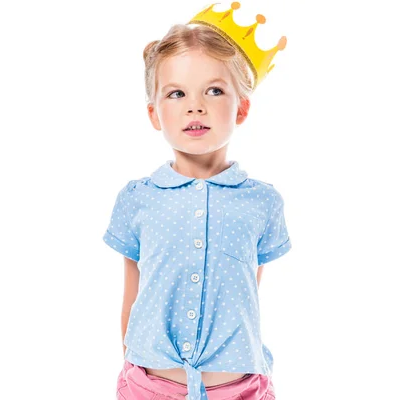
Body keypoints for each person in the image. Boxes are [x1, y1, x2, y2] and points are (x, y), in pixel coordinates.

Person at [102, 3, 291, 400]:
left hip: (238, 389)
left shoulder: (262, 202)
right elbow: (131, 298)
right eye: (177, 93)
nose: (195, 106)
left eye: (215, 90)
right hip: (151, 386)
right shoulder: (138, 199)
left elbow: (248, 299)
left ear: (241, 107)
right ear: (155, 114)